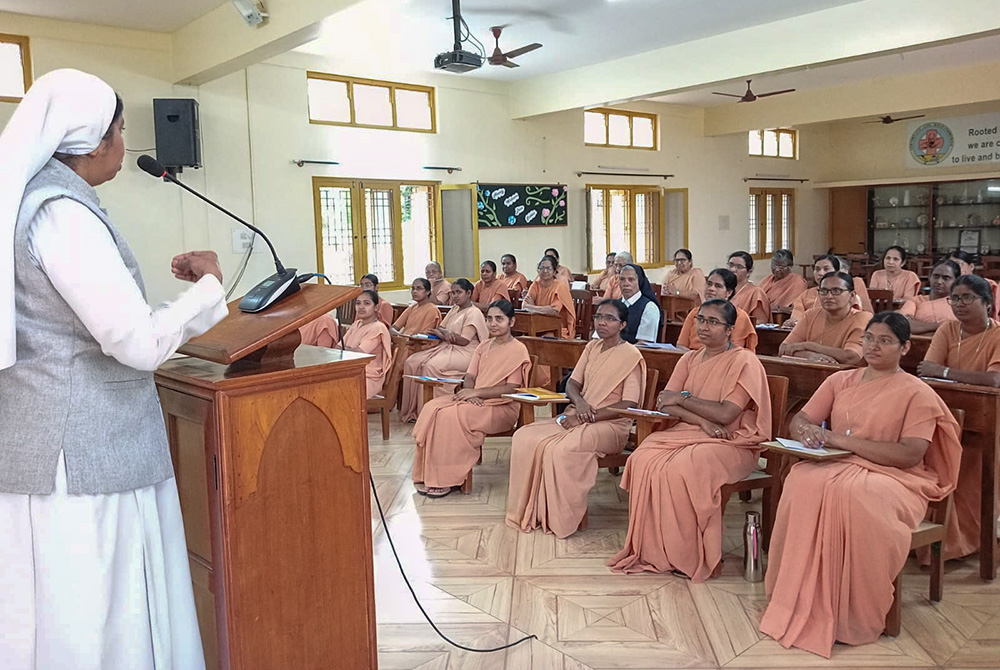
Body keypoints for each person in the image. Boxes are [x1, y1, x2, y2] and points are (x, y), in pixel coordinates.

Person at [0, 69, 228, 669]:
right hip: (80, 462)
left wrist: (195, 305)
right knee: (97, 616)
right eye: (122, 130)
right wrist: (208, 287)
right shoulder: (60, 214)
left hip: (62, 449)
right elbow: (135, 343)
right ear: (96, 140)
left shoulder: (36, 202)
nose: (125, 144)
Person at [760, 312, 962, 658]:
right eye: (869, 338)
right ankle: (797, 598)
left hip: (897, 478)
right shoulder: (841, 381)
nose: (873, 346)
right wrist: (806, 432)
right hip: (839, 465)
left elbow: (910, 455)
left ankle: (851, 610)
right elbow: (802, 418)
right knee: (800, 480)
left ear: (905, 348)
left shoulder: (917, 392)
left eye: (885, 341)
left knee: (856, 495)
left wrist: (840, 441)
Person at [608, 299, 772, 582]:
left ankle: (691, 555)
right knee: (644, 455)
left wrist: (684, 399)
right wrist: (701, 419)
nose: (704, 327)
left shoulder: (745, 361)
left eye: (713, 322)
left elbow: (726, 413)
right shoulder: (690, 358)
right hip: (697, 431)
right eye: (701, 320)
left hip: (732, 441)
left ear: (730, 330)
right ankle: (656, 551)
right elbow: (665, 403)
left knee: (685, 466)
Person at [507, 300, 646, 538]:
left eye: (610, 318)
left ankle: (561, 517)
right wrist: (580, 404)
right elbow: (572, 383)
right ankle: (533, 511)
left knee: (561, 449)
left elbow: (628, 404)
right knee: (524, 436)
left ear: (623, 324)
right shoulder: (592, 347)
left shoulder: (631, 355)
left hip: (610, 425)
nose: (602, 322)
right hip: (579, 414)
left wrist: (587, 417)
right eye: (599, 316)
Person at [916, 275, 1000, 562]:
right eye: (955, 299)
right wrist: (940, 372)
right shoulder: (948, 329)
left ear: (987, 304)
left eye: (967, 298)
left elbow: (994, 379)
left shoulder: (997, 334)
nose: (959, 304)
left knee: (968, 470)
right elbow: (926, 369)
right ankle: (924, 539)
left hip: (991, 421)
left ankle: (965, 543)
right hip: (948, 417)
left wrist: (946, 372)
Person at [412, 299, 531, 497]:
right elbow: (470, 376)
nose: (493, 323)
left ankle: (448, 478)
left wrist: (477, 393)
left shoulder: (518, 349)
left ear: (512, 322)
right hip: (476, 401)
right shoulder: (483, 346)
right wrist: (469, 393)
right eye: (490, 319)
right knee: (432, 408)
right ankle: (429, 474)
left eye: (499, 319)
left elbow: (511, 387)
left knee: (449, 416)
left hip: (501, 407)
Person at [399, 278, 488, 422]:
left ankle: (433, 413)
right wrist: (445, 334)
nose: (455, 296)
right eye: (453, 293)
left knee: (430, 366)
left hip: (466, 352)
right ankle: (412, 412)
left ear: (469, 293)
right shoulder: (455, 309)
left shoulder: (473, 312)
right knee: (412, 362)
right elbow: (441, 327)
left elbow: (463, 340)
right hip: (448, 347)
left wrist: (445, 334)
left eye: (459, 292)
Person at [778, 271, 869, 365]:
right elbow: (784, 348)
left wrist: (809, 345)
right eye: (823, 291)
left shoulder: (862, 318)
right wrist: (811, 356)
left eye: (836, 291)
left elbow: (851, 357)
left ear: (852, 295)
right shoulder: (810, 315)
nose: (829, 296)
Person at [676, 268, 758, 353]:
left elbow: (734, 350)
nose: (711, 288)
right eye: (709, 284)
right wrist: (696, 359)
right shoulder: (695, 312)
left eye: (718, 286)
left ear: (729, 293)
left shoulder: (739, 316)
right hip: (692, 359)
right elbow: (681, 345)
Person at [788, 255, 867, 326]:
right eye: (817, 269)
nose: (820, 273)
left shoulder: (846, 294)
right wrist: (793, 322)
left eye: (826, 269)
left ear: (837, 272)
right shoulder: (806, 294)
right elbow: (796, 318)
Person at [341, 290, 393, 398]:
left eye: (367, 303)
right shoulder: (356, 324)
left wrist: (346, 349)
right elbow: (338, 347)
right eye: (358, 303)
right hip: (351, 371)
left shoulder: (378, 328)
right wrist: (347, 349)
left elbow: (358, 353)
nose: (361, 307)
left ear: (376, 307)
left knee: (339, 392)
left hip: (368, 377)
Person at [898, 259, 959, 334]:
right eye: (936, 276)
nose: (939, 282)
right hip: (919, 343)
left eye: (946, 278)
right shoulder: (916, 301)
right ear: (930, 277)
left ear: (956, 281)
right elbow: (902, 324)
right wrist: (942, 325)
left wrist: (920, 325)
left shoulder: (960, 303)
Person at [522, 254, 576, 339]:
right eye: (542, 268)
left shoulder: (560, 287)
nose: (545, 271)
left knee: (545, 338)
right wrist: (542, 309)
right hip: (537, 325)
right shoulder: (535, 284)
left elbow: (553, 311)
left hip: (556, 327)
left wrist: (533, 307)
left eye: (549, 268)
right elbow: (524, 306)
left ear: (554, 272)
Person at [610, 264, 660, 344]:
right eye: (622, 279)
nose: (626, 284)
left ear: (639, 281)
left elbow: (644, 344)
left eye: (631, 279)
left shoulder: (649, 308)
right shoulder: (612, 306)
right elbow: (598, 337)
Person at [948, 250, 998, 318]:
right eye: (951, 266)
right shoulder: (948, 285)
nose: (955, 269)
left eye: (958, 264)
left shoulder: (988, 284)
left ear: (971, 266)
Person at [727, 251, 771, 324]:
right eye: (731, 265)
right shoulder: (723, 288)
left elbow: (760, 321)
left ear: (749, 272)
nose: (733, 270)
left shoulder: (756, 292)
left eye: (739, 267)